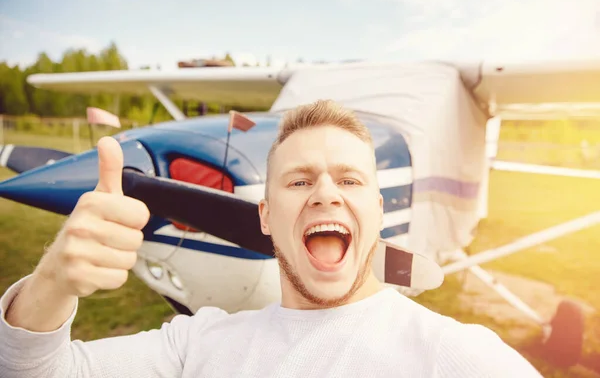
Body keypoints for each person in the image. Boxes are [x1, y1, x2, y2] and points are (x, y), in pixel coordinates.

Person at [0, 100, 542, 377]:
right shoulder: (197, 344)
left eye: (349, 179)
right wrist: (53, 280)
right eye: (299, 180)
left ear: (378, 212)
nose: (325, 193)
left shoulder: (460, 356)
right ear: (263, 214)